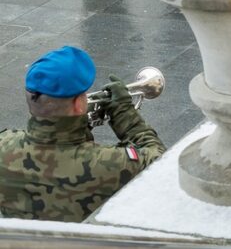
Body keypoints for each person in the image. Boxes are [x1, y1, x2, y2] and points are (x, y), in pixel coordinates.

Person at [0, 46, 165, 221]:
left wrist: (77, 129)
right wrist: (124, 112)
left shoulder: (4, 145)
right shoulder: (108, 164)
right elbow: (160, 161)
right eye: (84, 95)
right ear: (79, 104)